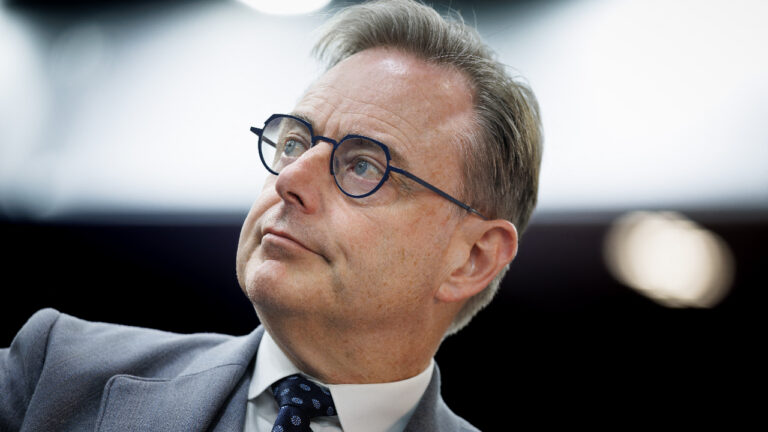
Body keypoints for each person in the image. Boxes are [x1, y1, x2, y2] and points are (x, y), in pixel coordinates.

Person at [0, 0, 542, 430]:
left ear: (472, 258)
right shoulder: (54, 373)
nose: (289, 181)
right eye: (294, 143)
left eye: (362, 166)